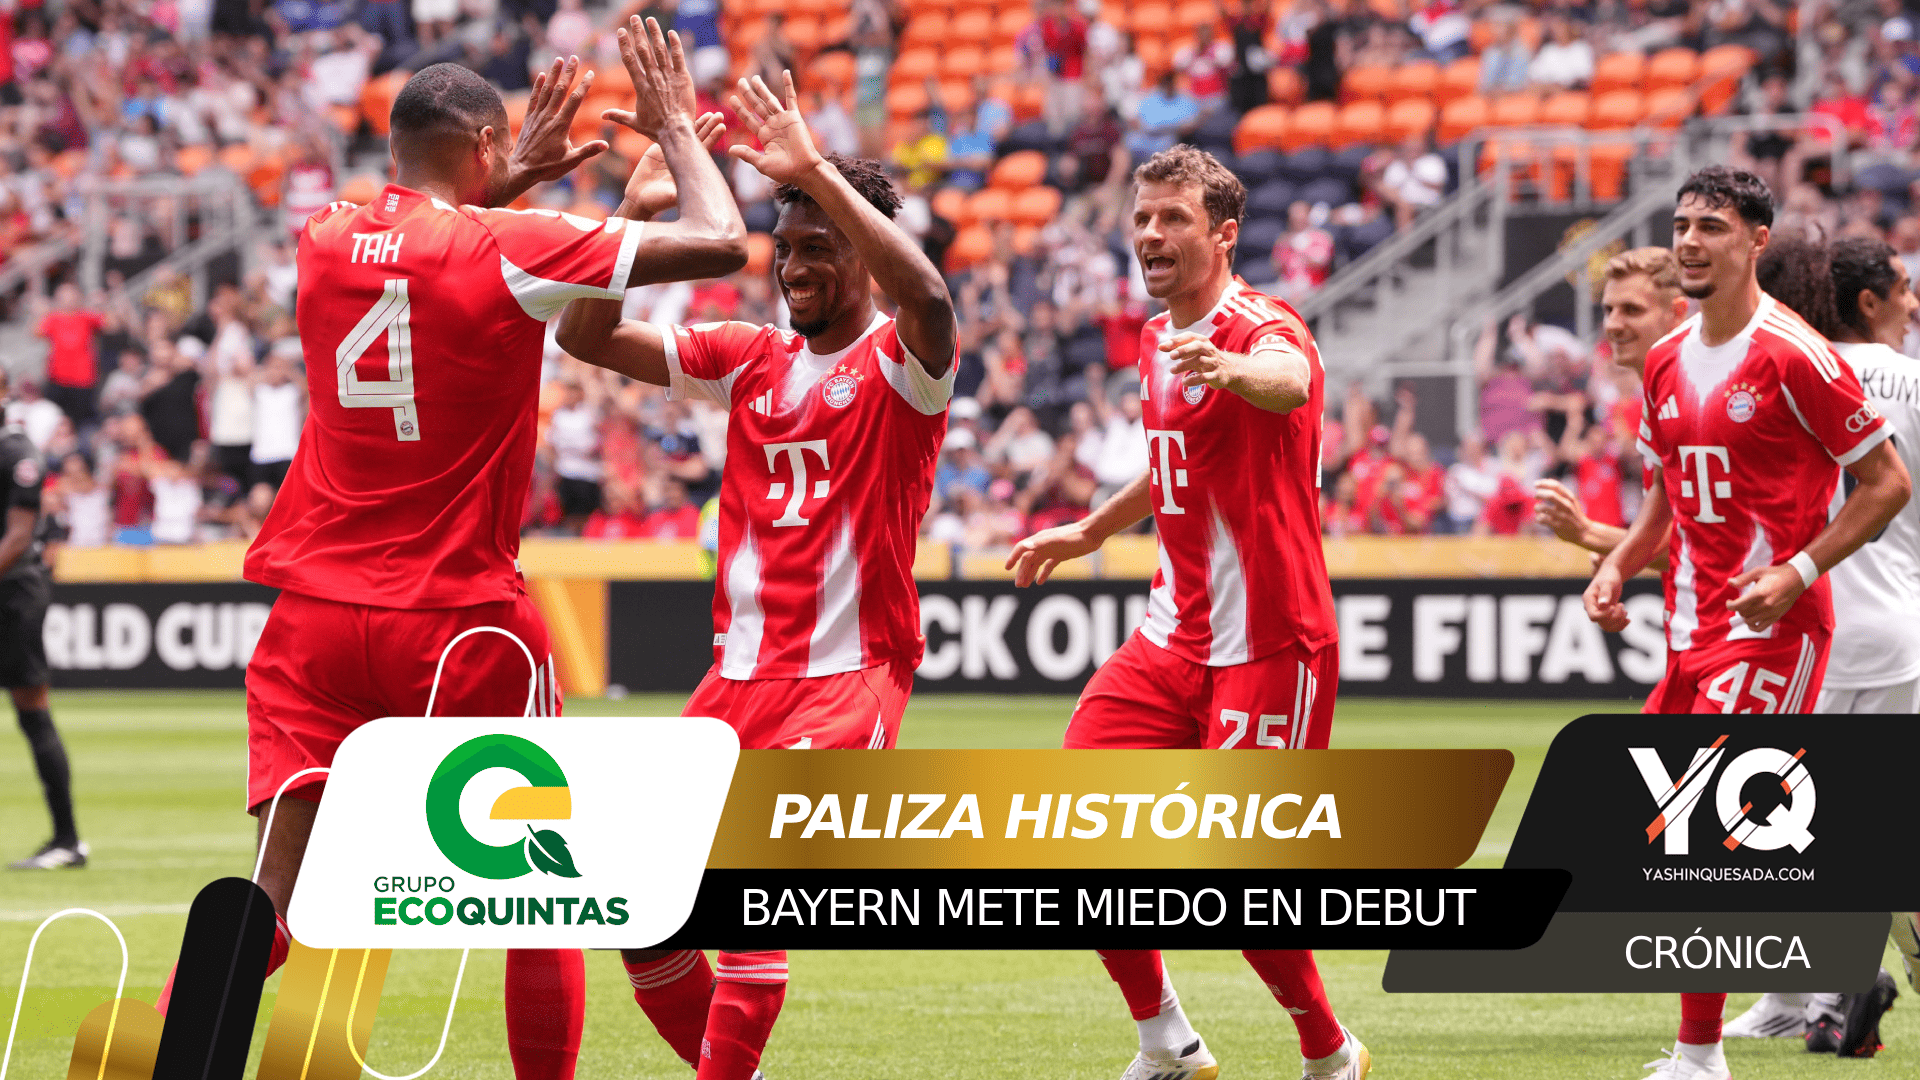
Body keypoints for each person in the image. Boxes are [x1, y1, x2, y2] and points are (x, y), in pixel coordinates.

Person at [184, 28, 746, 1080]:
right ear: (485, 145)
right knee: (544, 895)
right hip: (458, 622)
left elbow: (423, 236)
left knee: (268, 898)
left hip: (313, 623)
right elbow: (721, 241)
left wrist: (512, 174)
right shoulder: (510, 246)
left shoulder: (320, 234)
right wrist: (673, 126)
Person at [554, 71, 956, 1080]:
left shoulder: (902, 366)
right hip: (734, 684)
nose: (794, 266)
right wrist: (632, 221)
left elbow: (929, 295)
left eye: (819, 246)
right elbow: (583, 334)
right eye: (787, 247)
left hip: (846, 678)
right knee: (638, 911)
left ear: (859, 252)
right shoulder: (748, 358)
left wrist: (814, 168)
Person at [1005, 145, 1367, 1080]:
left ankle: (1330, 1051)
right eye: (1143, 218)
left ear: (1224, 234)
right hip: (1172, 638)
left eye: (1173, 218)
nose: (1152, 234)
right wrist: (1091, 528)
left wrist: (1234, 369)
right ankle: (1167, 1041)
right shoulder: (1154, 339)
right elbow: (1176, 462)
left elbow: (1288, 377)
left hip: (1271, 645)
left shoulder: (1263, 326)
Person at [1582, 167, 1911, 1080]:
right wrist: (1616, 564)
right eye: (1682, 225)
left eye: (1713, 227)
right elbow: (1665, 498)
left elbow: (1887, 483)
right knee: (1656, 836)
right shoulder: (1664, 360)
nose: (1691, 241)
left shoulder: (1796, 354)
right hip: (1689, 629)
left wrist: (1799, 569)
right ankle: (1842, 958)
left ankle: (1701, 1055)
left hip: (1777, 627)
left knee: (1709, 840)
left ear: (1756, 241)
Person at [1714, 235, 1915, 1053]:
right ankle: (1806, 993)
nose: (1913, 302)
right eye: (1904, 287)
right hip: (1900, 623)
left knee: (1778, 822)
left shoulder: (1784, 367)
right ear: (1864, 299)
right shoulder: (1910, 380)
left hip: (1810, 620)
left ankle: (1824, 991)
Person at [1533, 248, 1688, 554]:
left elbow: (1703, 545)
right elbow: (1680, 542)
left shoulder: (1693, 401)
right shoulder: (1655, 402)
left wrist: (1589, 534)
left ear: (1676, 314)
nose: (1613, 325)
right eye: (1608, 310)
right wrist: (1617, 566)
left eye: (1632, 310)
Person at [0, 370, 79, 870]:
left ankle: (67, 840)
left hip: (13, 594)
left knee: (32, 707)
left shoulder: (16, 452)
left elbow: (17, 536)